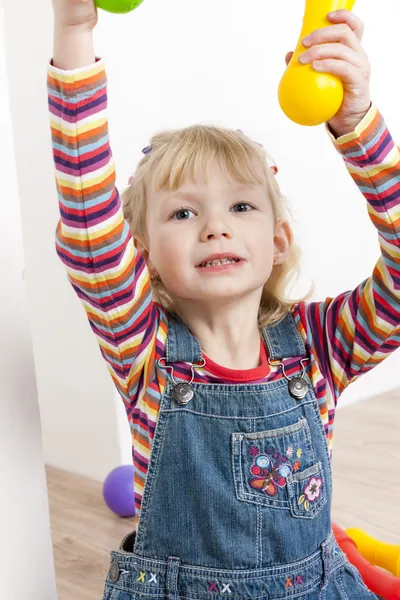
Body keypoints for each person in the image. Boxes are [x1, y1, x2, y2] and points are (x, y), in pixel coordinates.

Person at [49, 0, 399, 598]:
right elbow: (89, 227)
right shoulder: (145, 351)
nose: (216, 227)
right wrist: (74, 33)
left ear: (278, 240)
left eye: (241, 207)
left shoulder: (323, 347)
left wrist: (358, 122)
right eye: (183, 212)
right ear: (142, 252)